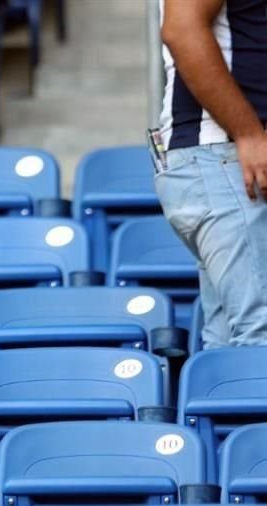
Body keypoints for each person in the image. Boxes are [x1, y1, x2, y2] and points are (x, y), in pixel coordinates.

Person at [156, 0, 267, 347]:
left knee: (229, 348)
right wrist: (248, 132)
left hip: (226, 160)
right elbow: (181, 29)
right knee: (259, 339)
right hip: (224, 153)